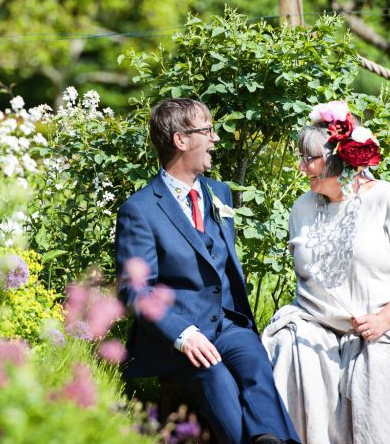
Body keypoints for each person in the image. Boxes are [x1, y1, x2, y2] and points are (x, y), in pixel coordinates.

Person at [261, 100, 390, 444]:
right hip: (317, 324)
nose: (300, 166)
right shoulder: (303, 207)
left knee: (374, 368)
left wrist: (383, 320)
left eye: (310, 159)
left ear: (338, 159)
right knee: (293, 346)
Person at [115, 98, 300, 444]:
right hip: (176, 337)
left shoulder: (219, 193)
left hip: (227, 325)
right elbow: (135, 290)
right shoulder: (139, 210)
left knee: (254, 362)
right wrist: (182, 334)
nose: (216, 139)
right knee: (215, 377)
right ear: (180, 140)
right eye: (208, 130)